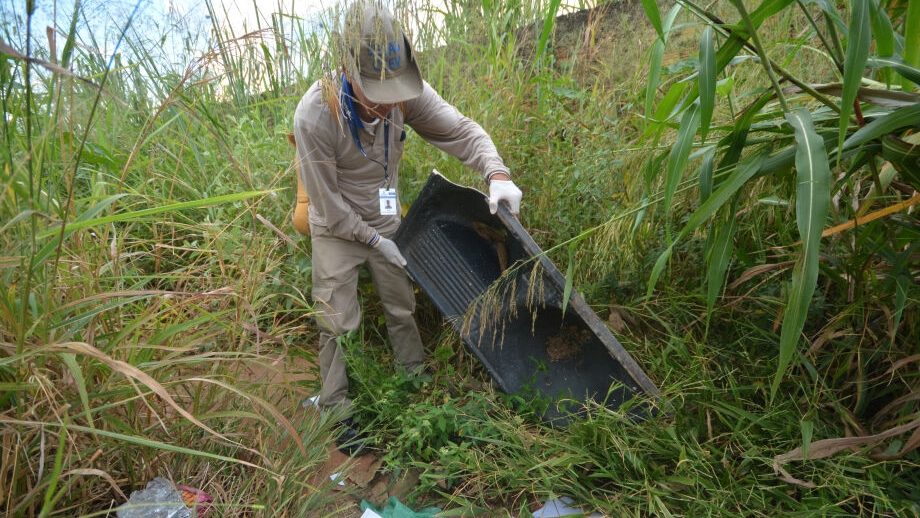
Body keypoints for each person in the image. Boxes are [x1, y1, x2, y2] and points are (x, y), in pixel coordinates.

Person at [292, 0, 523, 453]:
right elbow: (329, 206)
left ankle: (413, 382)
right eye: (379, 94)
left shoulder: (405, 93)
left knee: (401, 307)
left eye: (397, 92)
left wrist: (496, 174)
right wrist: (374, 240)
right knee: (338, 321)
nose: (392, 104)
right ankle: (337, 408)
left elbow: (461, 132)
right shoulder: (315, 115)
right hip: (336, 227)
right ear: (348, 71)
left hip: (384, 217)